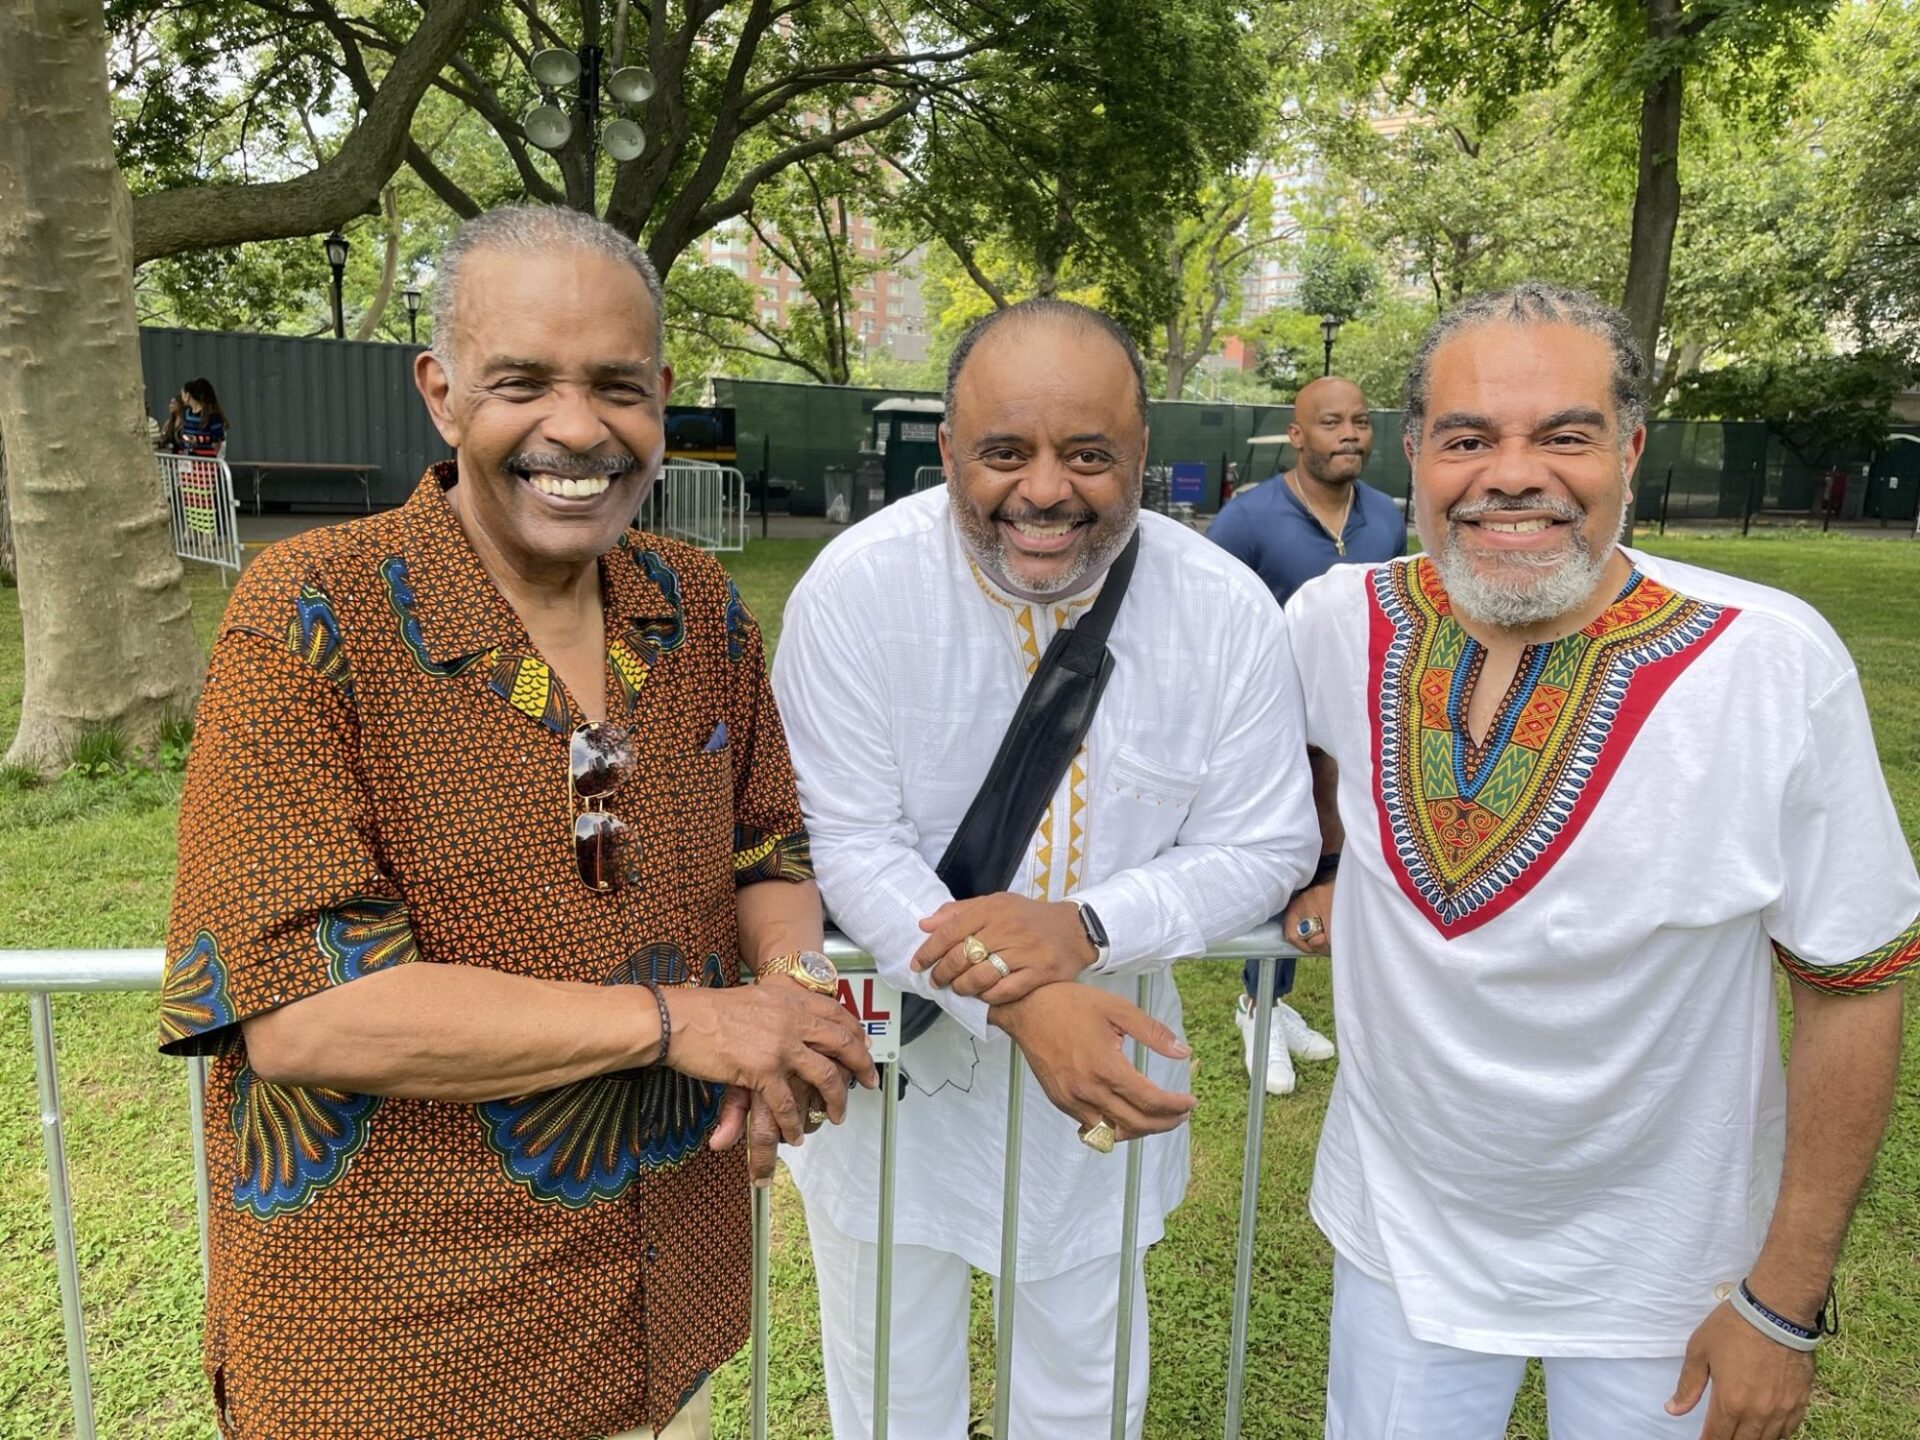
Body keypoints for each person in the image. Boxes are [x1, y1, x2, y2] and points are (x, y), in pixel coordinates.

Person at [157, 204, 877, 1440]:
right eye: (522, 381)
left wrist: (790, 993)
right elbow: (298, 1011)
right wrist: (684, 1023)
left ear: (660, 399)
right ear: (440, 393)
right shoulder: (313, 614)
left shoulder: (695, 605)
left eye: (616, 386)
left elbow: (771, 845)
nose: (577, 428)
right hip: (409, 1347)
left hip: (667, 1303)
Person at [1284, 281, 1917, 1439]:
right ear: (1417, 456)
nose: (1511, 475)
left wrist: (1784, 1304)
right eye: (1469, 438)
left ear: (1629, 450)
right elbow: (1244, 761)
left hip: (1670, 1279)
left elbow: (1857, 979)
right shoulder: (1335, 621)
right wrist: (1319, 865)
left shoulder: (1769, 662)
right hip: (1399, 1247)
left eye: (1563, 435)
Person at [772, 299, 1320, 1440]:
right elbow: (849, 840)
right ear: (951, 451)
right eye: (1004, 452)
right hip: (895, 1056)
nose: (1045, 492)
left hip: (1109, 1046)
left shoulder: (1221, 608)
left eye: (1088, 455)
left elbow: (1268, 840)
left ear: (1141, 457)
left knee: (1082, 1375)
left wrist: (1091, 929)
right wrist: (1024, 998)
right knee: (888, 1374)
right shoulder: (857, 587)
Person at [1206, 375, 1404, 1095]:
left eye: (1360, 420)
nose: (1349, 434)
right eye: (1330, 422)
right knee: (1282, 863)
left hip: (1351, 739)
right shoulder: (1248, 519)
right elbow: (1210, 622)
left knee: (1329, 872)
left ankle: (1276, 1000)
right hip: (1271, 735)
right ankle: (1255, 1006)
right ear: (1297, 435)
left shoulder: (1385, 517)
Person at [172, 377, 228, 454]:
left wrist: (199, 440)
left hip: (205, 461)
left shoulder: (212, 416)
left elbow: (218, 440)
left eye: (182, 394)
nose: (181, 398)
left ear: (188, 395)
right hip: (188, 460)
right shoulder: (186, 414)